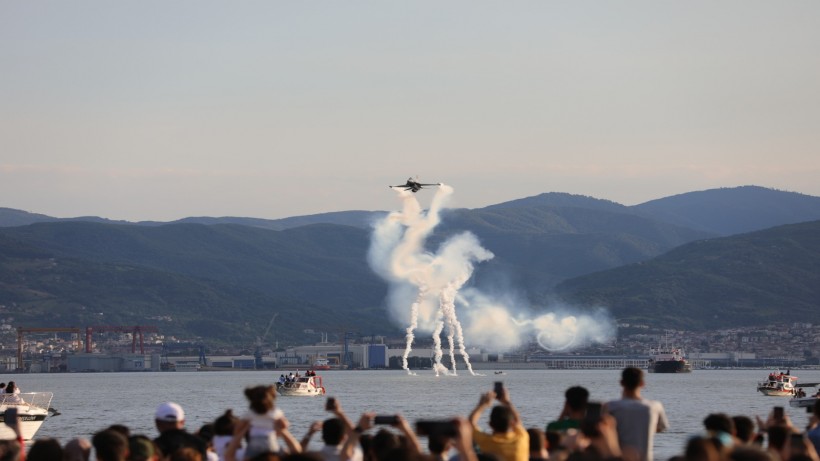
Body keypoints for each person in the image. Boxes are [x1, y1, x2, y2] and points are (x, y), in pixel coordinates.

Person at [606, 367, 669, 461]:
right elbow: (661, 428)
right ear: (642, 384)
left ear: (621, 383)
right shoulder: (655, 407)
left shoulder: (610, 407)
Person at [469, 385, 529, 461]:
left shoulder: (486, 441)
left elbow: (470, 424)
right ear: (512, 423)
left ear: (490, 424)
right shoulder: (521, 438)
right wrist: (506, 401)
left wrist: (482, 405)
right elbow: (518, 421)